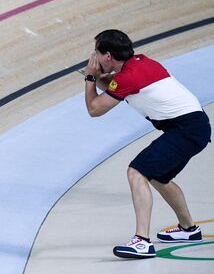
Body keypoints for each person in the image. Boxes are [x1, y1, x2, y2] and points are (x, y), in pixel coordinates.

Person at [83, 29, 211, 259]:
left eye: (97, 53)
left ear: (108, 56)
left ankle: (141, 241)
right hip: (194, 126)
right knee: (158, 176)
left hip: (186, 129)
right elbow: (116, 88)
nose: (95, 57)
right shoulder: (140, 63)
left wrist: (90, 78)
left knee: (137, 171)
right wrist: (99, 78)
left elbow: (95, 109)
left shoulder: (127, 78)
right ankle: (189, 229)